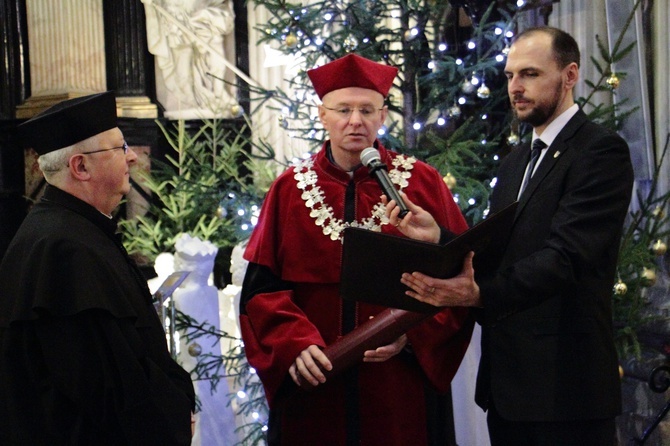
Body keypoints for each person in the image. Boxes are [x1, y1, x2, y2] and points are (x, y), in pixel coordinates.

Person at [387, 27, 634, 445]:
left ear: (569, 75)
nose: (515, 88)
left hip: (566, 390)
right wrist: (440, 238)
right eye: (509, 76)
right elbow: (502, 252)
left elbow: (566, 258)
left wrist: (477, 294)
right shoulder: (517, 159)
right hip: (508, 388)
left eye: (530, 74)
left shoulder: (599, 151)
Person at [239, 53, 474, 445]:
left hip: (399, 390)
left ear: (382, 117)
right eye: (343, 109)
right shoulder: (288, 190)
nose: (355, 121)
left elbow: (460, 281)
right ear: (322, 115)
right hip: (316, 384)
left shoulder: (421, 182)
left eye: (367, 110)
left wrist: (411, 337)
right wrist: (294, 345)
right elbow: (260, 293)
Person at [0, 92, 196, 445]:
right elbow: (104, 385)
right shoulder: (63, 251)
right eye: (119, 148)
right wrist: (169, 417)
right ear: (81, 167)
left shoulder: (75, 231)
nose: (133, 156)